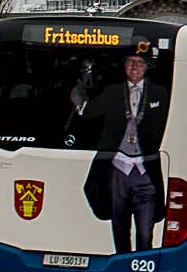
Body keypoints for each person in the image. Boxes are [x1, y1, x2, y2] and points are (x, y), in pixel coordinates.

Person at [70, 43, 169, 253]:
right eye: (131, 62)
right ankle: (122, 269)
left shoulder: (160, 94)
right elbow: (88, 113)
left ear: (146, 67)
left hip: (147, 169)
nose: (135, 67)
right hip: (118, 168)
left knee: (145, 232)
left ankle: (142, 271)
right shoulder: (112, 92)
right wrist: (79, 93)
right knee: (120, 226)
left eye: (140, 63)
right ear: (125, 66)